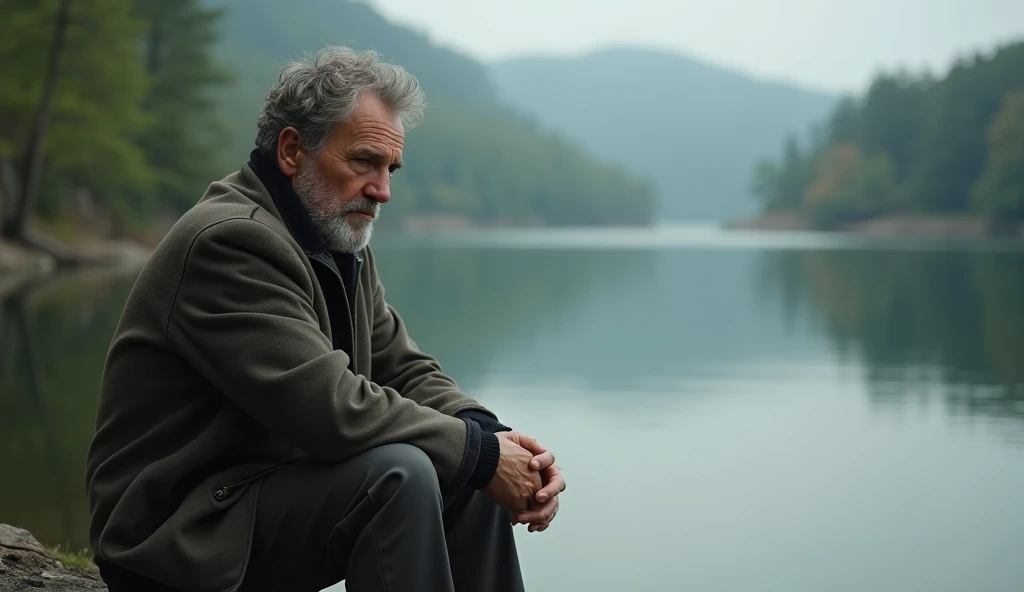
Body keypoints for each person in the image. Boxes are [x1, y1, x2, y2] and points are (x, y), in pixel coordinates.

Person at [85, 46, 565, 592]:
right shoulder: (229, 241)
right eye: (364, 161)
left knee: (457, 474)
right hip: (175, 533)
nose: (382, 189)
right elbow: (331, 408)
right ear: (292, 150)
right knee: (400, 475)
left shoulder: (338, 239)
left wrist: (496, 440)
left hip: (256, 496)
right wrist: (479, 457)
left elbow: (403, 369)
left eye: (390, 168)